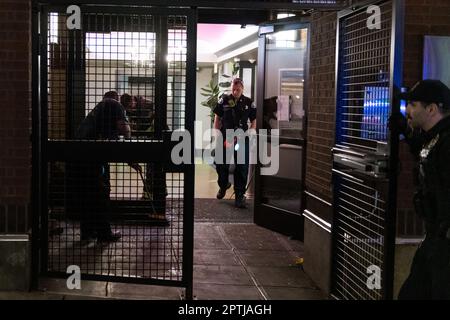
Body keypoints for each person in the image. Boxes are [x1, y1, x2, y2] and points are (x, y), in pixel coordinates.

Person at [396, 79, 450, 299]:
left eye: (413, 104)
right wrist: (407, 134)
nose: (408, 110)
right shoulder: (436, 137)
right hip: (435, 236)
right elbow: (425, 150)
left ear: (431, 109)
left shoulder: (448, 141)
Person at [70, 94, 141, 242]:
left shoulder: (99, 113)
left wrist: (129, 160)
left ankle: (87, 233)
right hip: (94, 158)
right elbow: (124, 128)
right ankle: (104, 234)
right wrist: (132, 149)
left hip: (79, 155)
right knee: (101, 193)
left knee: (88, 195)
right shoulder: (115, 104)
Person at [213, 78, 256, 208]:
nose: (235, 91)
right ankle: (223, 184)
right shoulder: (224, 100)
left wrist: (251, 131)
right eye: (233, 89)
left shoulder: (249, 102)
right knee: (220, 164)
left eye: (238, 89)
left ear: (242, 88)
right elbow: (217, 117)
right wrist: (216, 132)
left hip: (242, 138)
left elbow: (254, 119)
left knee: (242, 167)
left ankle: (239, 196)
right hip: (226, 137)